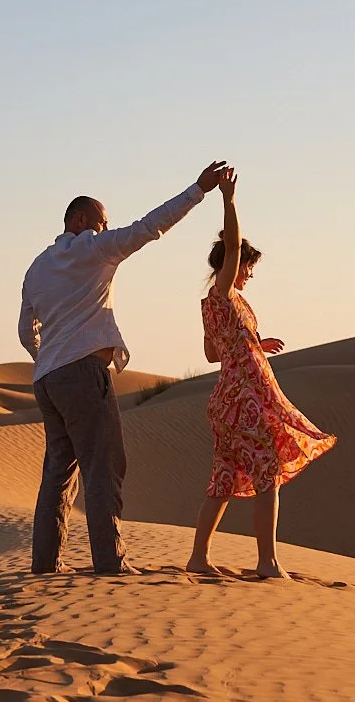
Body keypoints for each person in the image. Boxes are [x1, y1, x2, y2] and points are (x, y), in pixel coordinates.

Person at [21, 160, 229, 575]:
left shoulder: (37, 267)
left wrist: (48, 356)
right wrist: (198, 190)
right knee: (104, 466)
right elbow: (148, 228)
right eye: (101, 221)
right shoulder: (91, 249)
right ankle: (110, 563)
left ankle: (45, 565)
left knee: (57, 475)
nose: (105, 228)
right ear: (80, 221)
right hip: (81, 373)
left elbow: (27, 331)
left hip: (48, 379)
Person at [186, 168, 335, 579]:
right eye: (246, 266)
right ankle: (267, 562)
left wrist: (254, 343)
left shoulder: (212, 307)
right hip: (244, 399)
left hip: (228, 398)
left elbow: (212, 353)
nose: (248, 273)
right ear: (231, 266)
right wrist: (229, 200)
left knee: (223, 481)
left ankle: (199, 557)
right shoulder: (224, 293)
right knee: (266, 474)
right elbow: (232, 244)